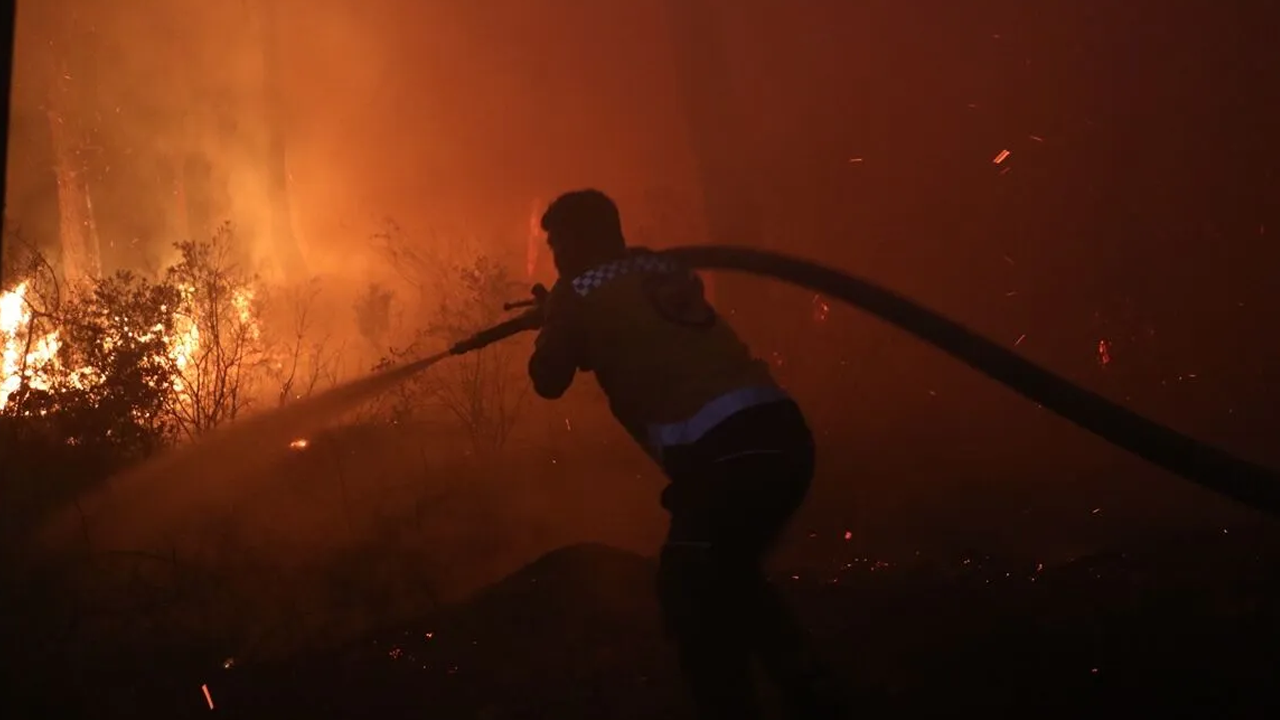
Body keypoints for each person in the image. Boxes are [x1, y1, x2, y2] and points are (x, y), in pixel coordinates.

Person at [527, 189, 849, 719]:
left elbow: (547, 379)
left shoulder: (578, 295)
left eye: (559, 245)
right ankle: (811, 691)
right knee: (725, 572)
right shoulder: (656, 268)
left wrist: (556, 316)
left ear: (585, 240)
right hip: (781, 438)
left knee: (690, 583)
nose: (556, 258)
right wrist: (564, 312)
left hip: (728, 457)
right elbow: (626, 315)